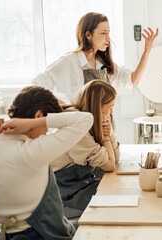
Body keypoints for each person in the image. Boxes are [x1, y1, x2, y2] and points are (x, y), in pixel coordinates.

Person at [0, 86, 93, 240]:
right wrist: (32, 123)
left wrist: (12, 122)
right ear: (39, 115)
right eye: (46, 125)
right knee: (101, 227)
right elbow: (86, 119)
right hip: (41, 234)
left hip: (7, 234)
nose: (46, 132)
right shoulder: (31, 152)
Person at [33, 12, 158, 103]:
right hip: (82, 129)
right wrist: (64, 108)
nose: (108, 38)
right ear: (88, 34)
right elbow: (37, 86)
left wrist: (146, 51)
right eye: (103, 33)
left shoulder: (103, 64)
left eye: (108, 33)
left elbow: (133, 80)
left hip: (105, 128)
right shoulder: (70, 61)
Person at [50, 80, 119, 218]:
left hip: (79, 183)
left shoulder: (92, 119)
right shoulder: (75, 126)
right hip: (64, 192)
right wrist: (106, 137)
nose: (112, 111)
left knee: (116, 193)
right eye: (110, 107)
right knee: (113, 205)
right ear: (98, 107)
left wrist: (110, 134)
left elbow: (115, 159)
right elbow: (110, 165)